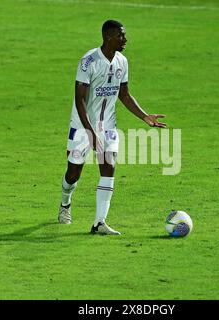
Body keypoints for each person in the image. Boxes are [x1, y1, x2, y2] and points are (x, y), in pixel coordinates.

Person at [58, 20, 166, 235]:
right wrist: (89, 132)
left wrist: (144, 116)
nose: (125, 40)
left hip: (108, 125)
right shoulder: (88, 62)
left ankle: (99, 222)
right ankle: (65, 203)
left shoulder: (122, 61)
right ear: (108, 37)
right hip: (82, 126)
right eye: (121, 36)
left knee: (108, 167)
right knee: (73, 173)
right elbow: (80, 101)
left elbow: (124, 94)